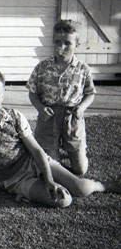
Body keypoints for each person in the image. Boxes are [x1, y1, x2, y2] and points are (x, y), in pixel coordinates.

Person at [0, 69, 120, 207]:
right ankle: (28, 193)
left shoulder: (14, 116)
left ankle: (104, 185)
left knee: (81, 188)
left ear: (3, 95)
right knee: (64, 200)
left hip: (35, 162)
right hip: (15, 179)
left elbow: (36, 150)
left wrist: (48, 179)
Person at [27, 19, 96, 175]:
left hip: (72, 117)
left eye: (67, 43)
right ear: (52, 42)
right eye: (57, 42)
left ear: (76, 45)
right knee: (51, 166)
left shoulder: (83, 69)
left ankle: (75, 152)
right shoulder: (42, 67)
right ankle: (52, 152)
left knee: (80, 169)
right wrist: (40, 108)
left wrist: (81, 108)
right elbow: (32, 92)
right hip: (49, 117)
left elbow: (90, 93)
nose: (61, 47)